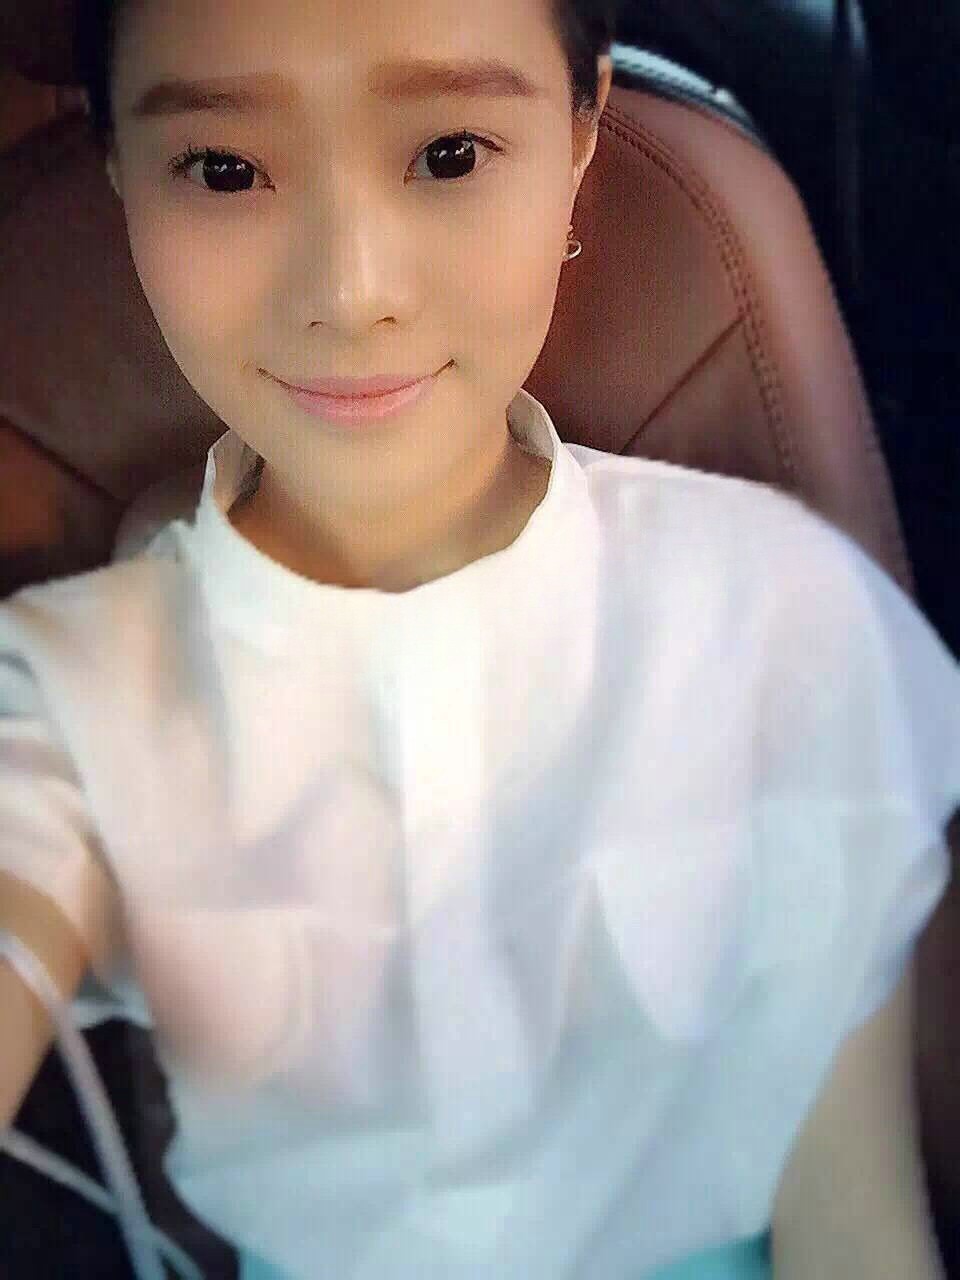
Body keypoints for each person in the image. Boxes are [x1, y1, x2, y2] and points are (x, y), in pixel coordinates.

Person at [1, 0, 959, 1276]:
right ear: (123, 171)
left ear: (579, 131)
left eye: (448, 154)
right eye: (223, 169)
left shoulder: (773, 612)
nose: (351, 292)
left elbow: (858, 1227)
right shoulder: (68, 694)